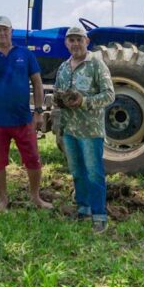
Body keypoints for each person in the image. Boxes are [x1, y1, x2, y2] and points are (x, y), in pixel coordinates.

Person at [0, 16, 53, 212]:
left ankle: (36, 197)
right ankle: (3, 200)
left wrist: (39, 112)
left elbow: (37, 83)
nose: (1, 33)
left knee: (33, 159)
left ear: (11, 31)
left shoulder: (25, 55)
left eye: (5, 29)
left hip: (23, 119)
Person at [54, 26, 115, 233]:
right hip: (69, 129)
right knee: (77, 172)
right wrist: (59, 104)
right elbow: (58, 95)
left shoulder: (96, 64)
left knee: (94, 173)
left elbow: (109, 95)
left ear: (86, 41)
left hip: (90, 131)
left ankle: (99, 215)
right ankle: (83, 208)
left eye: (79, 39)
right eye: (71, 40)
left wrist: (84, 101)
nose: (75, 44)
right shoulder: (63, 68)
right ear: (66, 43)